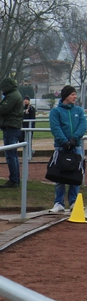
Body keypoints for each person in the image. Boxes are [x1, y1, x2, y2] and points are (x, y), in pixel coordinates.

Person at [48, 85, 86, 213]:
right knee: (59, 174)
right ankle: (59, 203)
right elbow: (55, 127)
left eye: (75, 94)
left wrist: (74, 139)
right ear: (65, 96)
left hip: (76, 146)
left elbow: (83, 125)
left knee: (75, 174)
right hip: (61, 147)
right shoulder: (56, 111)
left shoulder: (79, 111)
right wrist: (64, 141)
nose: (75, 97)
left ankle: (74, 202)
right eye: (72, 94)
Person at [0, 77, 24, 188]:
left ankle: (14, 180)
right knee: (13, 155)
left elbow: (3, 110)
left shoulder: (12, 96)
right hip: (13, 127)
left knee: (10, 155)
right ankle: (15, 179)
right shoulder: (14, 95)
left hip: (11, 127)